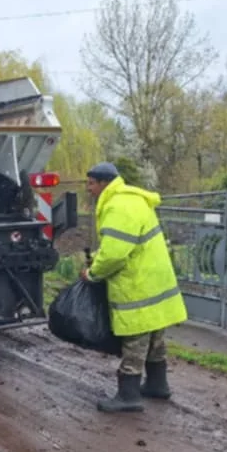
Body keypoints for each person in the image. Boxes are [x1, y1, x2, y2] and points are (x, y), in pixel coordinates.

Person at [80, 162, 188, 413]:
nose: (89, 189)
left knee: (136, 336)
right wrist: (100, 256)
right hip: (154, 278)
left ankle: (128, 395)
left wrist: (93, 273)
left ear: (104, 182)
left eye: (91, 183)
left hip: (138, 282)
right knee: (155, 333)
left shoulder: (118, 206)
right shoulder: (130, 200)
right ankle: (157, 384)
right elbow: (123, 243)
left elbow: (116, 254)